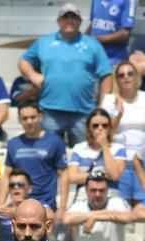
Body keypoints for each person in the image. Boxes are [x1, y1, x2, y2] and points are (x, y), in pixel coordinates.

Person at [21, 5, 113, 147]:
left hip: (83, 113)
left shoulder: (93, 44)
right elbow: (24, 61)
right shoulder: (44, 42)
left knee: (85, 157)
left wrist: (103, 106)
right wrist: (33, 75)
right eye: (65, 17)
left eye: (73, 17)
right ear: (59, 21)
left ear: (80, 22)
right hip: (50, 111)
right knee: (48, 155)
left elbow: (106, 74)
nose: (69, 21)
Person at [4, 102, 68, 212]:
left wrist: (62, 208)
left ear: (40, 117)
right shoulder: (13, 143)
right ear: (19, 120)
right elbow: (6, 175)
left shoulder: (55, 141)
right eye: (25, 118)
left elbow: (64, 175)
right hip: (19, 205)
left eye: (33, 117)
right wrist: (1, 203)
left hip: (45, 205)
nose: (29, 122)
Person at [100, 61, 145, 163]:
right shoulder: (109, 100)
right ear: (117, 80)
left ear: (136, 77)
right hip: (119, 156)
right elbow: (105, 134)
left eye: (130, 74)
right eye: (121, 75)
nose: (126, 77)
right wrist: (118, 116)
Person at [89, 0, 136, 65]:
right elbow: (93, 23)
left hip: (114, 60)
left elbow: (125, 34)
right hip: (94, 57)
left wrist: (97, 40)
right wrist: (82, 39)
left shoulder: (128, 1)